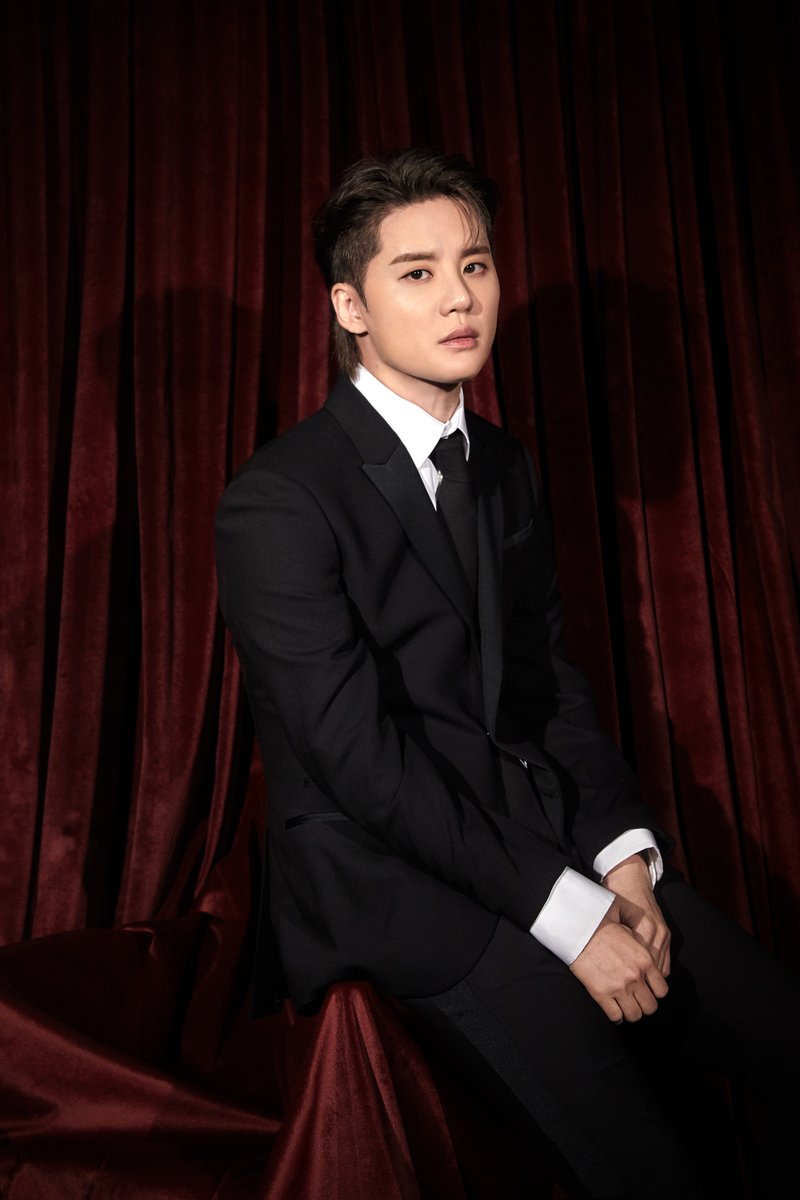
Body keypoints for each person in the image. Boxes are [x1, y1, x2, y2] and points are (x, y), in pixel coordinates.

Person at [215, 148, 800, 1198]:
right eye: (418, 272)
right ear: (349, 306)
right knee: (658, 1172)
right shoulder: (278, 498)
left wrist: (622, 856)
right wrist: (566, 914)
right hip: (394, 883)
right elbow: (358, 761)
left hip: (535, 835)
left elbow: (546, 687)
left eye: (475, 265)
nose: (460, 297)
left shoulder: (502, 465)